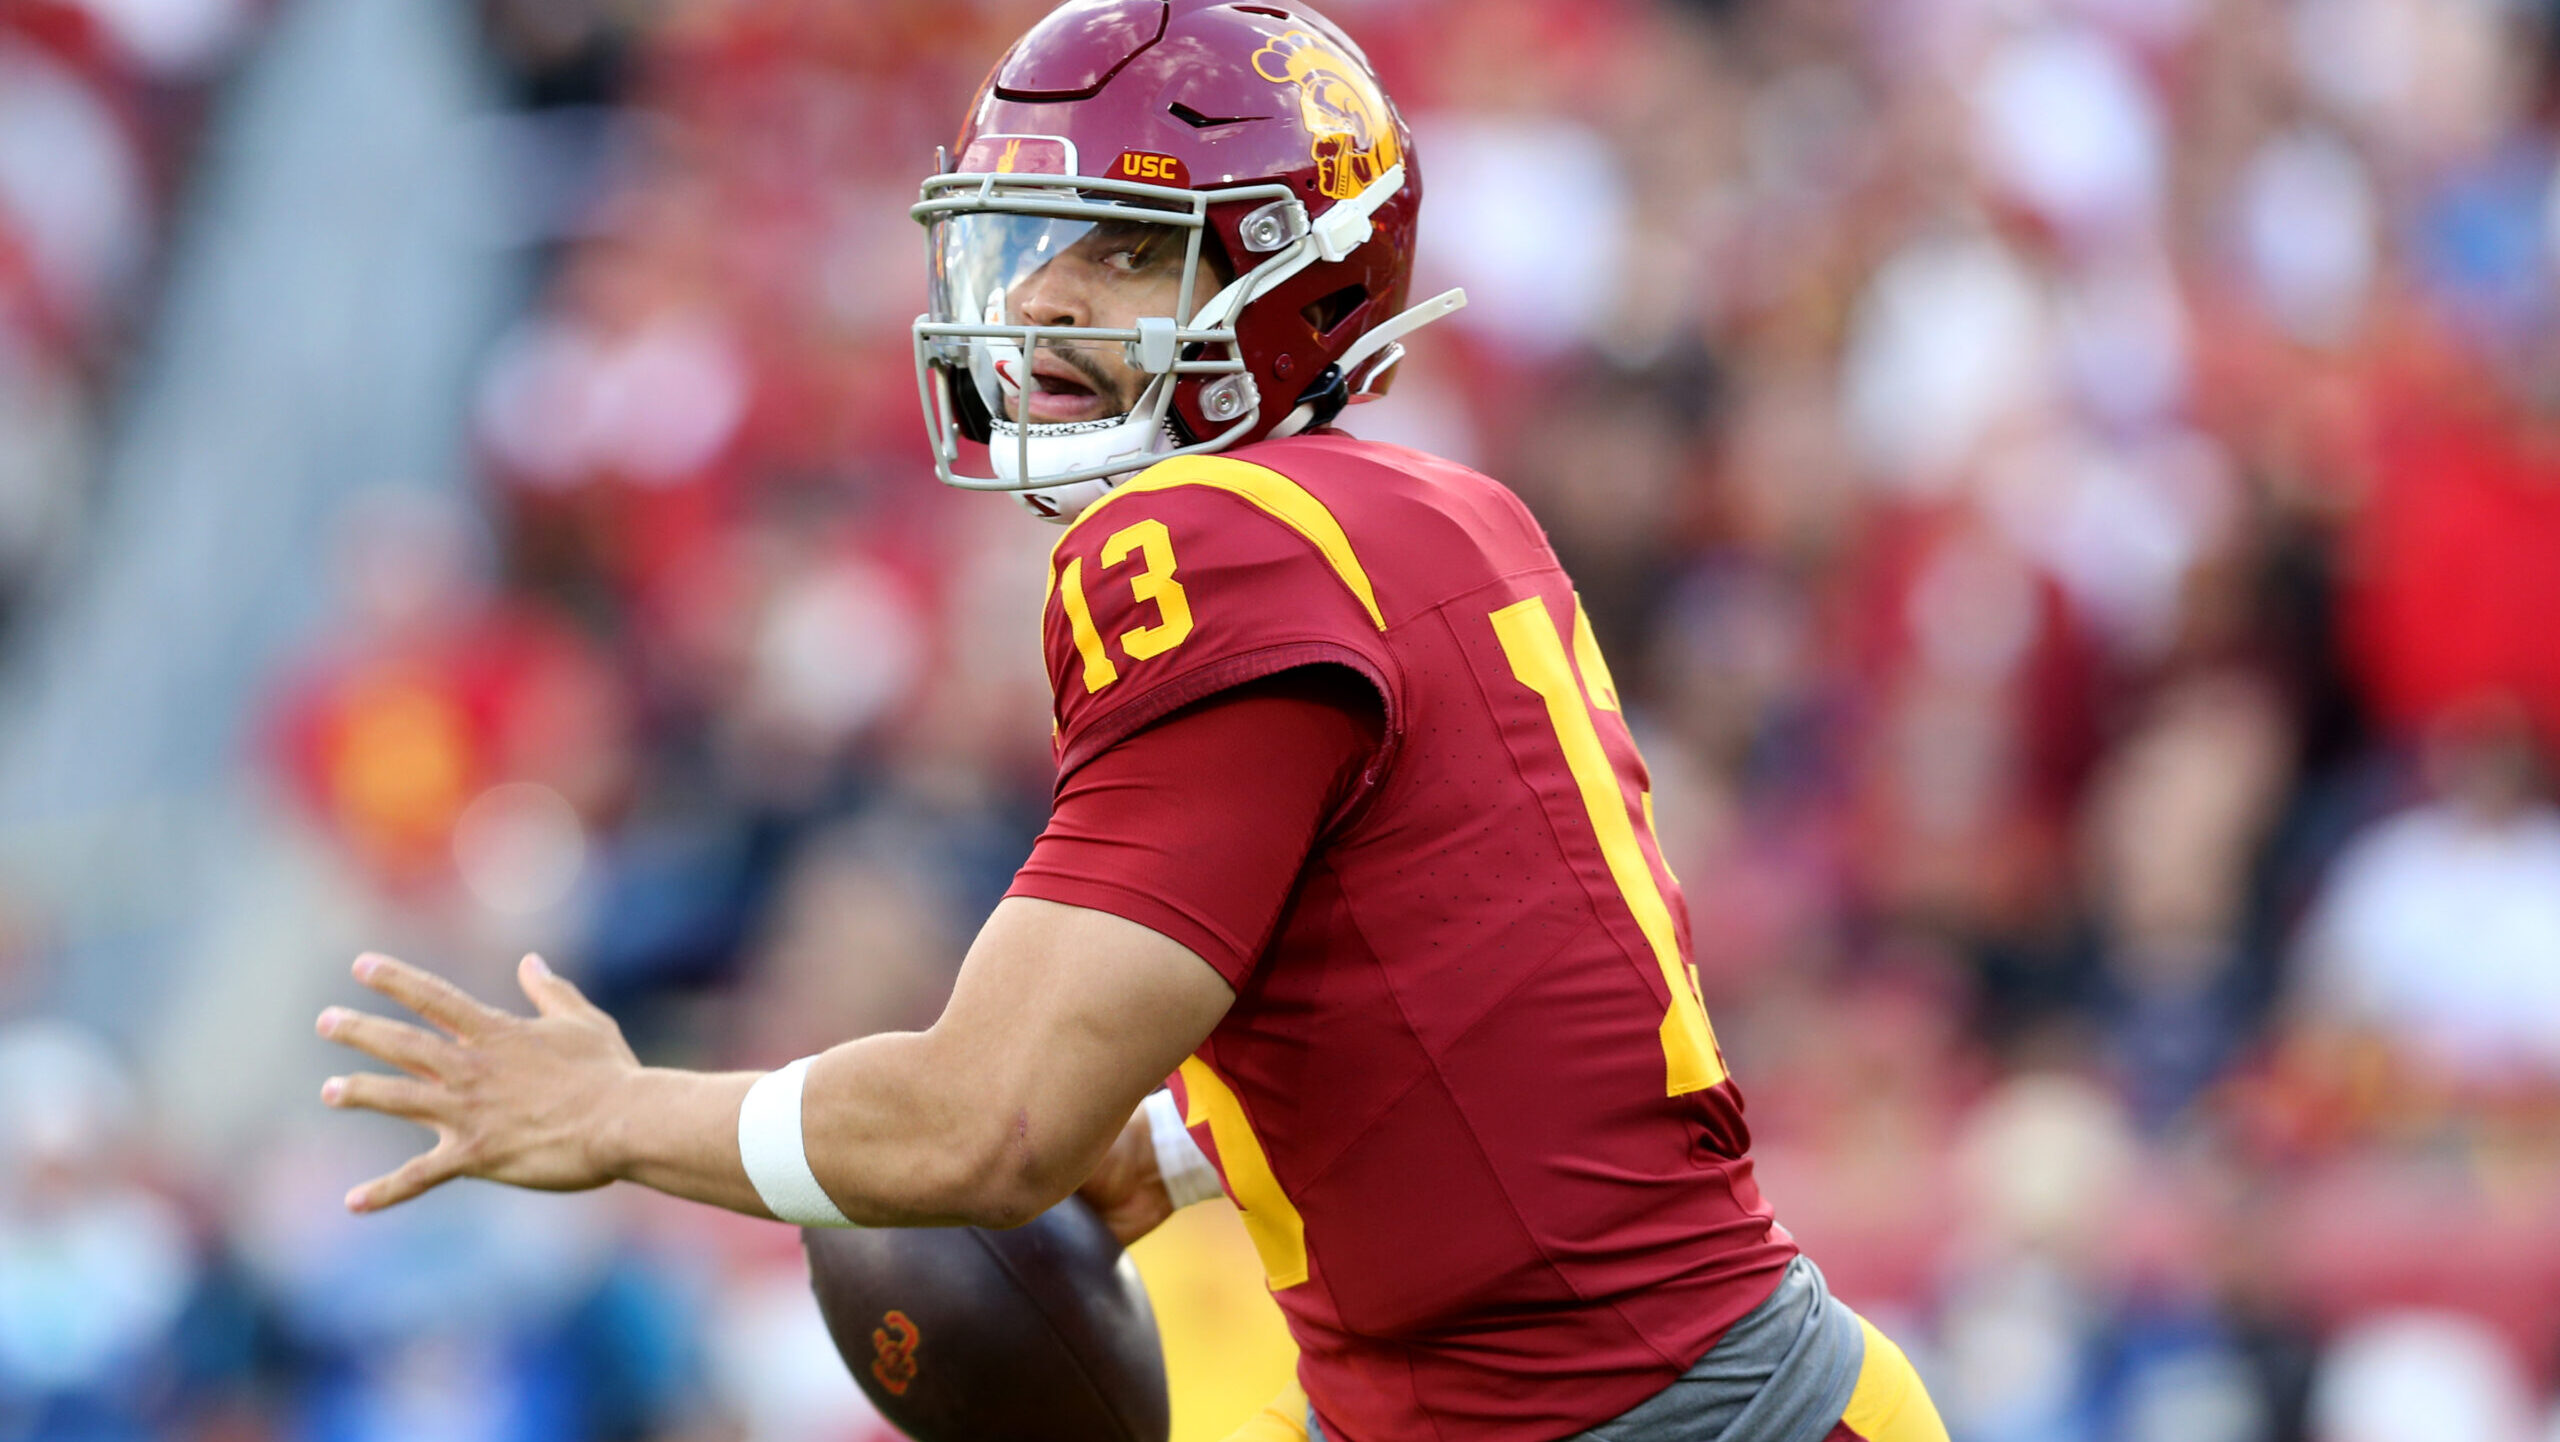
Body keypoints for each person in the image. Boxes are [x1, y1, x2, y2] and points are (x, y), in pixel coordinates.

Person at [317, 4, 1949, 1440]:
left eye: (1115, 252)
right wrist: (1176, 1147)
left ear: (1283, 280)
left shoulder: (1200, 544)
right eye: (1031, 243)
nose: (1037, 306)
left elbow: (988, 1122)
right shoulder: (1442, 507)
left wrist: (615, 1114)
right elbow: (1449, 974)